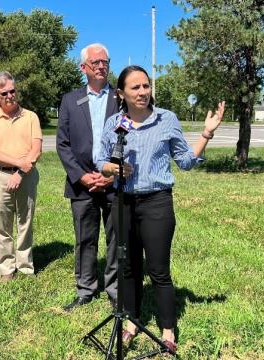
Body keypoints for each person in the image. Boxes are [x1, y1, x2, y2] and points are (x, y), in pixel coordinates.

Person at [96, 65, 225, 354]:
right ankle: (131, 323)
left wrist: (206, 133)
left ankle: (167, 330)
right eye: (135, 88)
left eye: (146, 86)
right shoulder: (115, 124)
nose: (143, 92)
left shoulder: (166, 119)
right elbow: (99, 160)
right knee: (128, 267)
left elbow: (186, 161)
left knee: (158, 270)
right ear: (122, 94)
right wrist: (111, 168)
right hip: (123, 202)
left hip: (157, 203)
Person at [56, 43, 119, 312]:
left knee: (118, 238)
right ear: (84, 68)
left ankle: (117, 289)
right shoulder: (70, 100)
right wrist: (81, 176)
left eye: (105, 61)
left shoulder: (120, 97)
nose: (102, 66)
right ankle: (86, 288)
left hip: (114, 181)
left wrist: (111, 173)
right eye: (96, 63)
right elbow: (63, 144)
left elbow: (131, 139)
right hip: (82, 184)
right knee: (85, 238)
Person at [0, 71, 42, 282]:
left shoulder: (31, 117)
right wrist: (18, 164)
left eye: (12, 91)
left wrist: (21, 172)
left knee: (25, 220)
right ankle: (6, 267)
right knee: (2, 223)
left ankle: (25, 266)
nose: (9, 95)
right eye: (4, 92)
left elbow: (36, 150)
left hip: (27, 175)